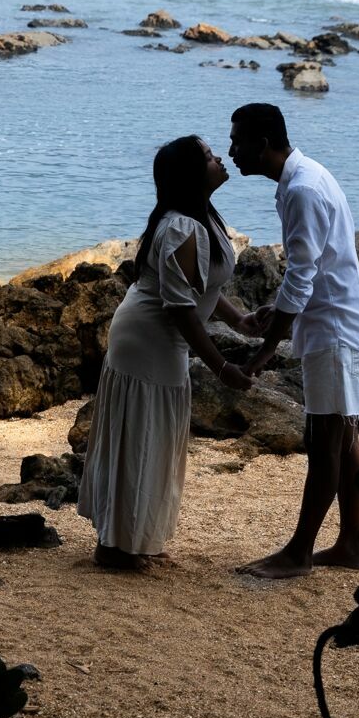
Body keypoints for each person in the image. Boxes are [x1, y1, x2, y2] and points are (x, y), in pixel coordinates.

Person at [76, 136, 257, 570]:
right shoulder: (180, 226)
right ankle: (115, 545)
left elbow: (204, 286)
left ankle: (130, 537)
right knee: (142, 435)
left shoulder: (202, 217)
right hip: (149, 338)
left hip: (158, 334)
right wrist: (221, 366)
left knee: (151, 435)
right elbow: (180, 309)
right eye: (211, 157)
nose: (219, 160)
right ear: (194, 174)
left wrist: (239, 321)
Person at [228, 103, 359, 579]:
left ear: (263, 143)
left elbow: (301, 277)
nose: (231, 152)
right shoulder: (300, 180)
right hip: (339, 323)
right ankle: (351, 544)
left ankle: (299, 553)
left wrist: (266, 350)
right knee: (343, 439)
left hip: (338, 332)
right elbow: (313, 269)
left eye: (237, 141)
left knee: (324, 445)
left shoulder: (302, 189)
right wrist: (279, 312)